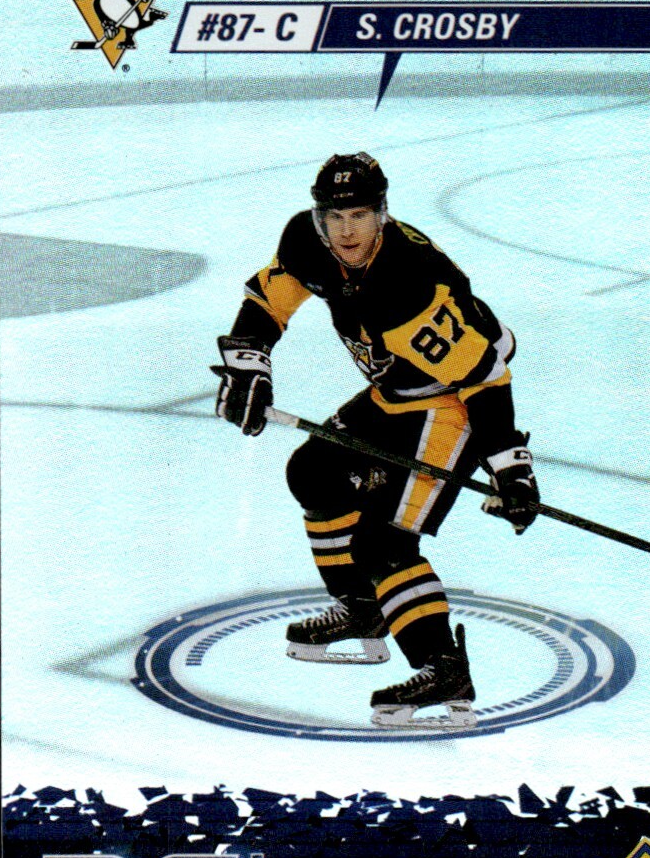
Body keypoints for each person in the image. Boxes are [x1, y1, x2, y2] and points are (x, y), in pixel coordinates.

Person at [213, 152, 539, 728]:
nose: (347, 231)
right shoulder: (307, 242)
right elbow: (269, 299)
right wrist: (249, 364)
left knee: (383, 542)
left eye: (360, 215)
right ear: (319, 217)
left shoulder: (406, 284)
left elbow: (483, 377)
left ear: (382, 214)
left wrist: (510, 466)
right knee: (313, 473)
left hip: (453, 399)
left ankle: (443, 668)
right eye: (335, 216)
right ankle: (364, 609)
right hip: (396, 390)